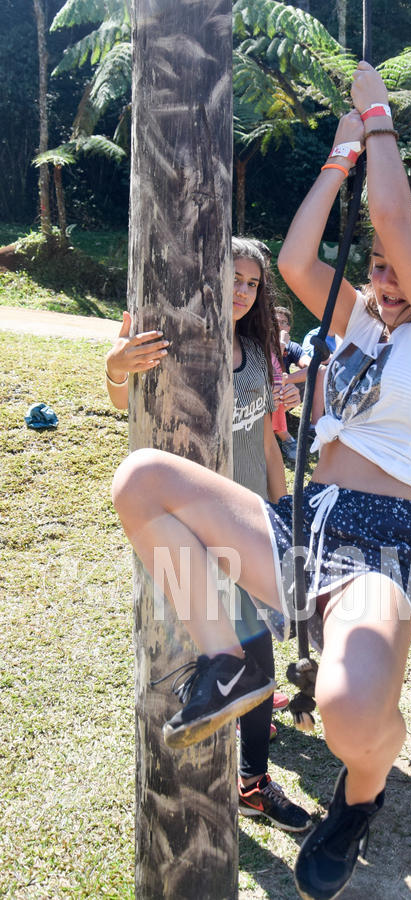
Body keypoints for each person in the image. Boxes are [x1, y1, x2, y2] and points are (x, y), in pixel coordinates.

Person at [112, 61, 411, 900]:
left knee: (349, 715)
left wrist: (379, 117)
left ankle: (359, 797)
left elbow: (394, 216)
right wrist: (338, 155)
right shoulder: (365, 322)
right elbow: (296, 257)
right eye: (381, 265)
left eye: (403, 267)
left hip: (384, 545)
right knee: (142, 481)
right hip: (306, 520)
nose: (385, 276)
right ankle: (231, 658)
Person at [106, 237, 310, 832]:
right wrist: (115, 367)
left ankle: (254, 783)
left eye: (252, 283)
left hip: (246, 522)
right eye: (233, 279)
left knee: (258, 653)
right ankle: (182, 799)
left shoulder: (256, 348)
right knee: (192, 653)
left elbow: (267, 438)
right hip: (186, 529)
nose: (242, 292)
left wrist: (283, 506)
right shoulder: (176, 338)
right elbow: (124, 401)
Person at [272, 306, 312, 462]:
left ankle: (276, 424)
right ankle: (286, 438)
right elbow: (269, 373)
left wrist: (287, 379)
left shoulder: (293, 347)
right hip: (265, 394)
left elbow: (312, 368)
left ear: (288, 327)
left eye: (284, 322)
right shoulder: (259, 343)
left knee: (318, 373)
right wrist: (281, 344)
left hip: (283, 395)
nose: (279, 325)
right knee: (273, 385)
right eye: (275, 321)